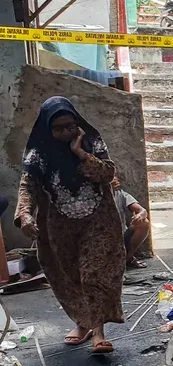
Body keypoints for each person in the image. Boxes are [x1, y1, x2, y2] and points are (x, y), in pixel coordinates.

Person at [14, 97, 125, 353]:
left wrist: (81, 153)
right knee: (69, 275)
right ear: (47, 128)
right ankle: (81, 322)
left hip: (98, 221)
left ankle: (98, 331)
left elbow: (107, 174)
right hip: (60, 224)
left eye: (71, 126)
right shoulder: (38, 153)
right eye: (59, 128)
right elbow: (27, 186)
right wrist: (26, 214)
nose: (66, 132)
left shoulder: (92, 142)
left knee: (94, 273)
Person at [113, 179, 150, 268]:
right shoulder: (94, 196)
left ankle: (128, 258)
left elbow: (142, 210)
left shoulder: (120, 194)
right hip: (102, 238)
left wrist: (139, 216)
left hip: (121, 236)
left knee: (144, 223)